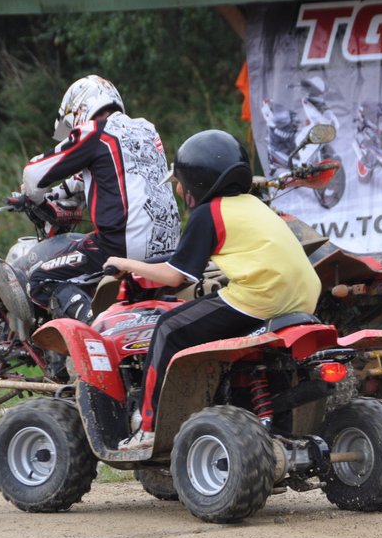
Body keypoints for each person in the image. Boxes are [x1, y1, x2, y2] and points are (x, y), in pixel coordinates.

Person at [104, 129, 322, 450]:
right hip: (304, 298)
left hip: (260, 296)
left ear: (197, 179)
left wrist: (126, 264)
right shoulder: (252, 205)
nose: (178, 189)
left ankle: (147, 427)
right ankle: (276, 428)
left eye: (179, 182)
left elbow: (175, 278)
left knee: (168, 327)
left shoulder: (209, 213)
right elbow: (191, 258)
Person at [22, 75, 180, 325]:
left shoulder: (94, 132)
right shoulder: (146, 129)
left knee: (41, 279)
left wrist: (37, 198)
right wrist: (57, 193)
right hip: (169, 246)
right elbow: (89, 177)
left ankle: (94, 334)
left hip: (119, 246)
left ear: (80, 109)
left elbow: (33, 174)